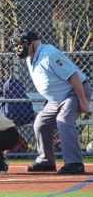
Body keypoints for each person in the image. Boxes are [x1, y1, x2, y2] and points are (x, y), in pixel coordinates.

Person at [11, 30, 92, 174]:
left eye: (21, 44)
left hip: (74, 92)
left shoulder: (49, 55)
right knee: (41, 124)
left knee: (64, 120)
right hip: (56, 99)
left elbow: (74, 77)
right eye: (16, 45)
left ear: (34, 44)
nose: (18, 48)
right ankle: (46, 161)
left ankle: (75, 164)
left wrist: (83, 101)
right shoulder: (32, 57)